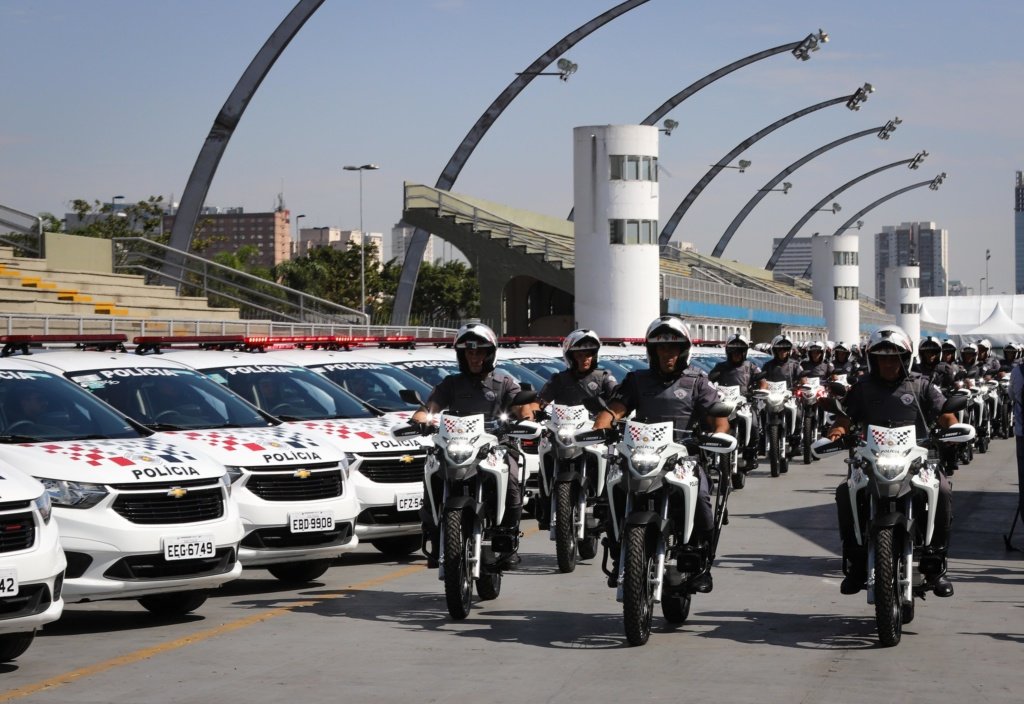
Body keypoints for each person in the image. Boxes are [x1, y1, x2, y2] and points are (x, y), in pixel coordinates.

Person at [593, 315, 729, 593]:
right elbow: (615, 408)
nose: (668, 353)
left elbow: (719, 417)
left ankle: (702, 561)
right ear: (652, 351)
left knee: (702, 500)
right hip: (642, 454)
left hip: (683, 458)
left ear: (683, 350)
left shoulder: (697, 382)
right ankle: (619, 544)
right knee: (612, 492)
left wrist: (720, 434)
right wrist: (601, 426)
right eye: (661, 348)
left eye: (674, 347)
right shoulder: (636, 379)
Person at [826, 325, 957, 597]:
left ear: (905, 357)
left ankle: (935, 565)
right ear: (872, 359)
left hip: (918, 458)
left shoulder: (921, 385)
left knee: (942, 489)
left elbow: (945, 414)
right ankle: (857, 564)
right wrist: (838, 430)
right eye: (882, 357)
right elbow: (846, 416)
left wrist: (952, 428)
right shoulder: (862, 387)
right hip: (871, 458)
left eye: (894, 356)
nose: (888, 362)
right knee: (845, 491)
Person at [409, 322, 533, 568]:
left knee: (512, 482)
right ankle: (435, 534)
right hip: (457, 446)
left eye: (479, 352)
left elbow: (522, 409)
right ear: (462, 354)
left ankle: (506, 539)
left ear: (490, 353)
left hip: (495, 446)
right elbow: (429, 407)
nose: (474, 357)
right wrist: (419, 420)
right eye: (469, 352)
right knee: (432, 475)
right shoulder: (451, 384)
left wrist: (526, 420)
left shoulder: (504, 382)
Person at [535, 328, 618, 530]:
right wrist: (535, 412)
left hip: (593, 433)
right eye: (580, 355)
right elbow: (541, 401)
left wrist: (613, 415)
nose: (585, 359)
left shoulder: (604, 377)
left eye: (588, 354)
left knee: (614, 462)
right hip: (563, 432)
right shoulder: (559, 379)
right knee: (544, 456)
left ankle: (606, 505)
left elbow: (618, 399)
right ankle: (545, 505)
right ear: (571, 357)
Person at [708, 333, 761, 468]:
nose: (737, 354)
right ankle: (709, 453)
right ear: (728, 352)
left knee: (754, 424)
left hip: (745, 403)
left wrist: (759, 390)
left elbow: (763, 381)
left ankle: (751, 454)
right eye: (733, 351)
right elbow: (709, 381)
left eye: (740, 351)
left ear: (744, 353)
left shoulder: (751, 366)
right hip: (724, 403)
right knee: (708, 422)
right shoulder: (720, 366)